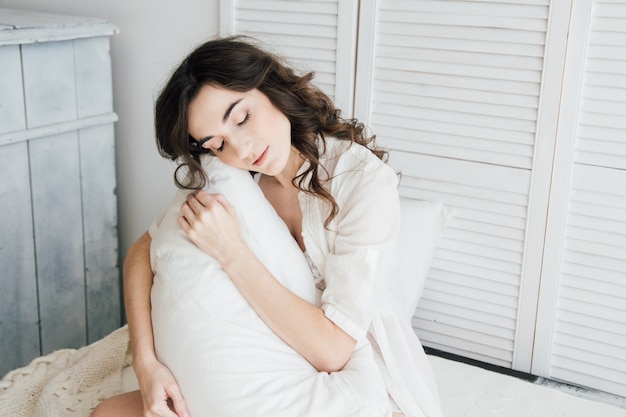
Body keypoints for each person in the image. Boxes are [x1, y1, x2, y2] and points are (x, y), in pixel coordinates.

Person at [92, 36, 442, 417]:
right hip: (267, 354)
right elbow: (141, 254)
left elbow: (335, 350)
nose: (241, 149)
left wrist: (232, 252)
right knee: (107, 413)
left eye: (242, 118)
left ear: (270, 86)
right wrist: (146, 365)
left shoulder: (362, 182)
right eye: (217, 143)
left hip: (355, 370)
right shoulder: (235, 176)